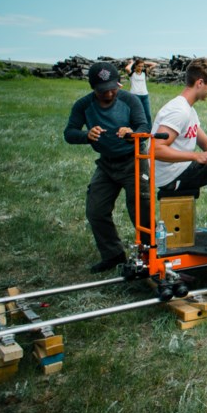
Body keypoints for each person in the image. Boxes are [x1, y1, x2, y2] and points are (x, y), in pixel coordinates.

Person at [64, 61, 150, 273]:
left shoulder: (130, 100)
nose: (109, 94)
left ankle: (150, 254)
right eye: (103, 91)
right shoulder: (83, 105)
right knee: (96, 210)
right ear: (93, 88)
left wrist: (131, 133)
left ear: (119, 84)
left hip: (133, 161)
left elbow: (144, 126)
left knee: (140, 211)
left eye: (113, 89)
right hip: (106, 164)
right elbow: (69, 133)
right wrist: (87, 135)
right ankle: (113, 254)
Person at [152, 57, 207, 197]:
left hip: (178, 170)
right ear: (200, 83)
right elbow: (156, 150)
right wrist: (195, 156)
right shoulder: (179, 111)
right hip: (171, 175)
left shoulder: (189, 110)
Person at [124, 57, 157, 125]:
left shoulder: (144, 72)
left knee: (147, 114)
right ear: (135, 66)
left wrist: (144, 62)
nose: (140, 68)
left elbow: (154, 64)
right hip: (135, 95)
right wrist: (132, 62)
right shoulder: (132, 73)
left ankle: (149, 129)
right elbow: (127, 68)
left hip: (144, 95)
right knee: (135, 113)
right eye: (139, 66)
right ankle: (134, 127)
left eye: (142, 66)